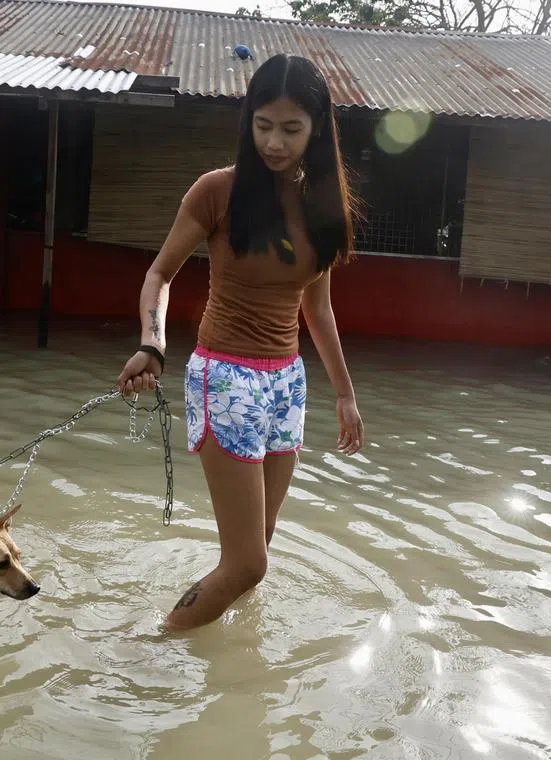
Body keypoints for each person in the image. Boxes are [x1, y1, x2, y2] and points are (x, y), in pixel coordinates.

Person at [115, 53, 364, 633]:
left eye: (292, 129)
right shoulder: (217, 192)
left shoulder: (323, 206)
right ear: (247, 119)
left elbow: (318, 308)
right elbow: (160, 274)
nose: (275, 142)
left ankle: (233, 660)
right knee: (249, 563)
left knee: (261, 547)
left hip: (287, 382)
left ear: (318, 129)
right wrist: (152, 343)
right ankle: (153, 647)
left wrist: (346, 395)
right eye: (263, 124)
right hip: (225, 376)